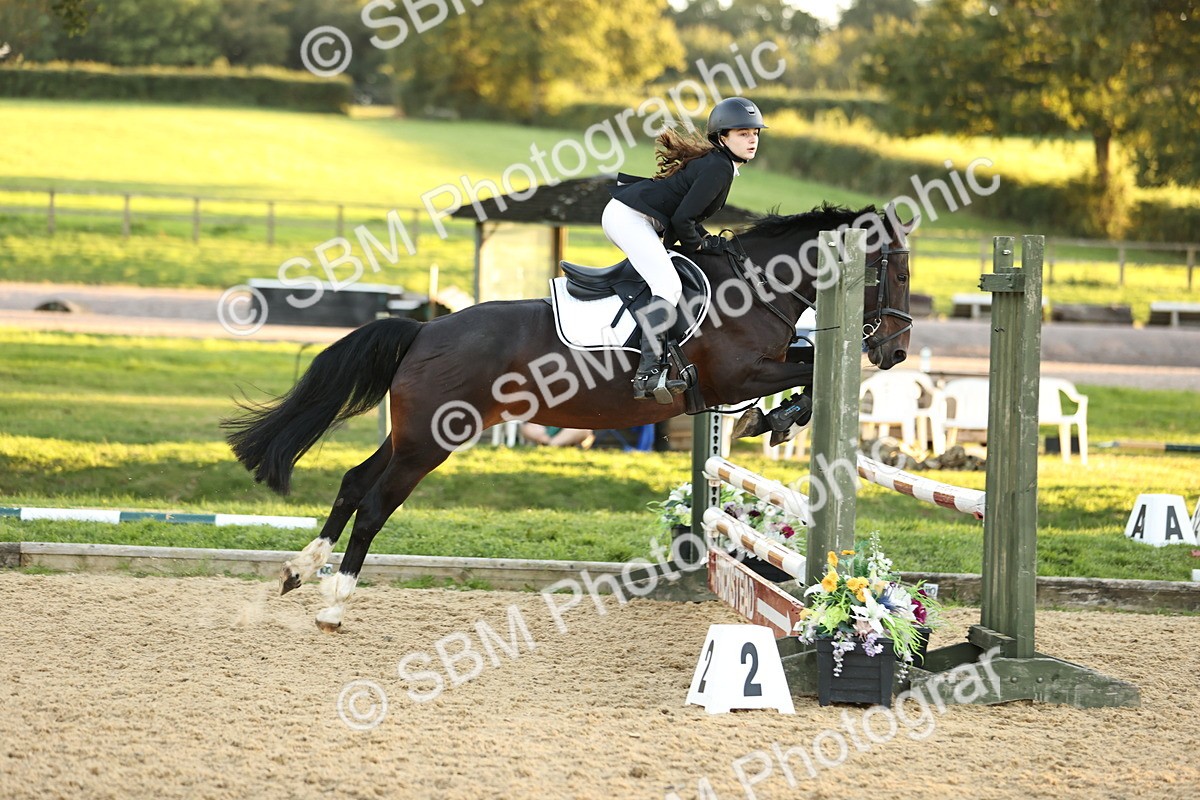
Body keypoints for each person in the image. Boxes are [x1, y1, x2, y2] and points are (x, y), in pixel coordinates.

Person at [604, 96, 767, 402]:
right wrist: (700, 244)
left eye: (755, 133)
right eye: (743, 133)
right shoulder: (718, 168)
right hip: (627, 217)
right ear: (722, 137)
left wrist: (707, 240)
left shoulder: (721, 165)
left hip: (632, 217)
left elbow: (687, 216)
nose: (752, 139)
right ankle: (648, 373)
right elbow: (682, 219)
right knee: (667, 285)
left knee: (666, 279)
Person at [520, 423, 594, 448]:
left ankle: (551, 444)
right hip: (545, 430)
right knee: (528, 427)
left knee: (583, 430)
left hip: (571, 431)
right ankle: (548, 443)